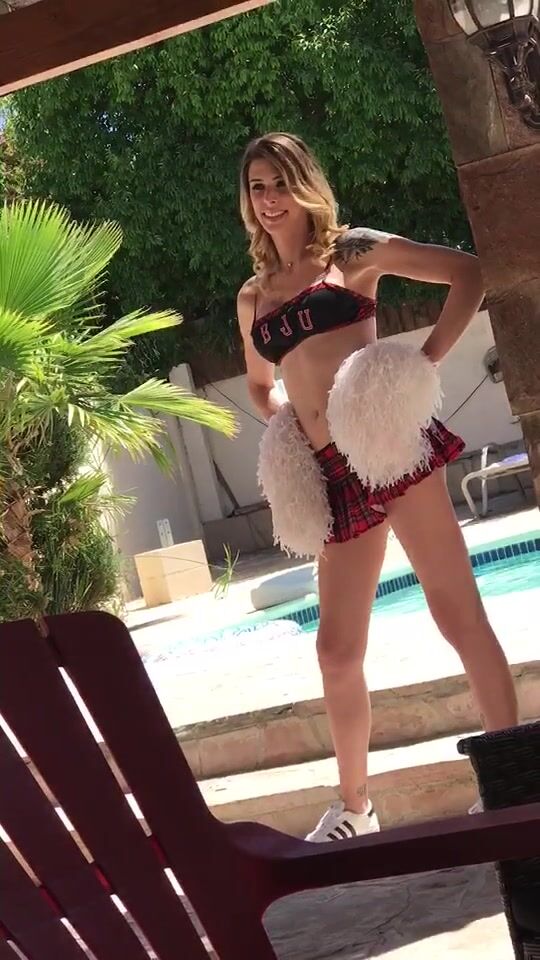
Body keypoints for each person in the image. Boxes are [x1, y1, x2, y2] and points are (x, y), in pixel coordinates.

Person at [236, 131, 518, 843]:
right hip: (332, 477)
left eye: (279, 183)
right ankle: (356, 808)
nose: (269, 200)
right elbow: (261, 385)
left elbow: (467, 274)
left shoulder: (352, 251)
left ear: (305, 183)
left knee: (457, 614)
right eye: (257, 188)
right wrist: (288, 424)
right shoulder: (253, 297)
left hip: (390, 449)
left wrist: (421, 364)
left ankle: (514, 778)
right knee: (335, 651)